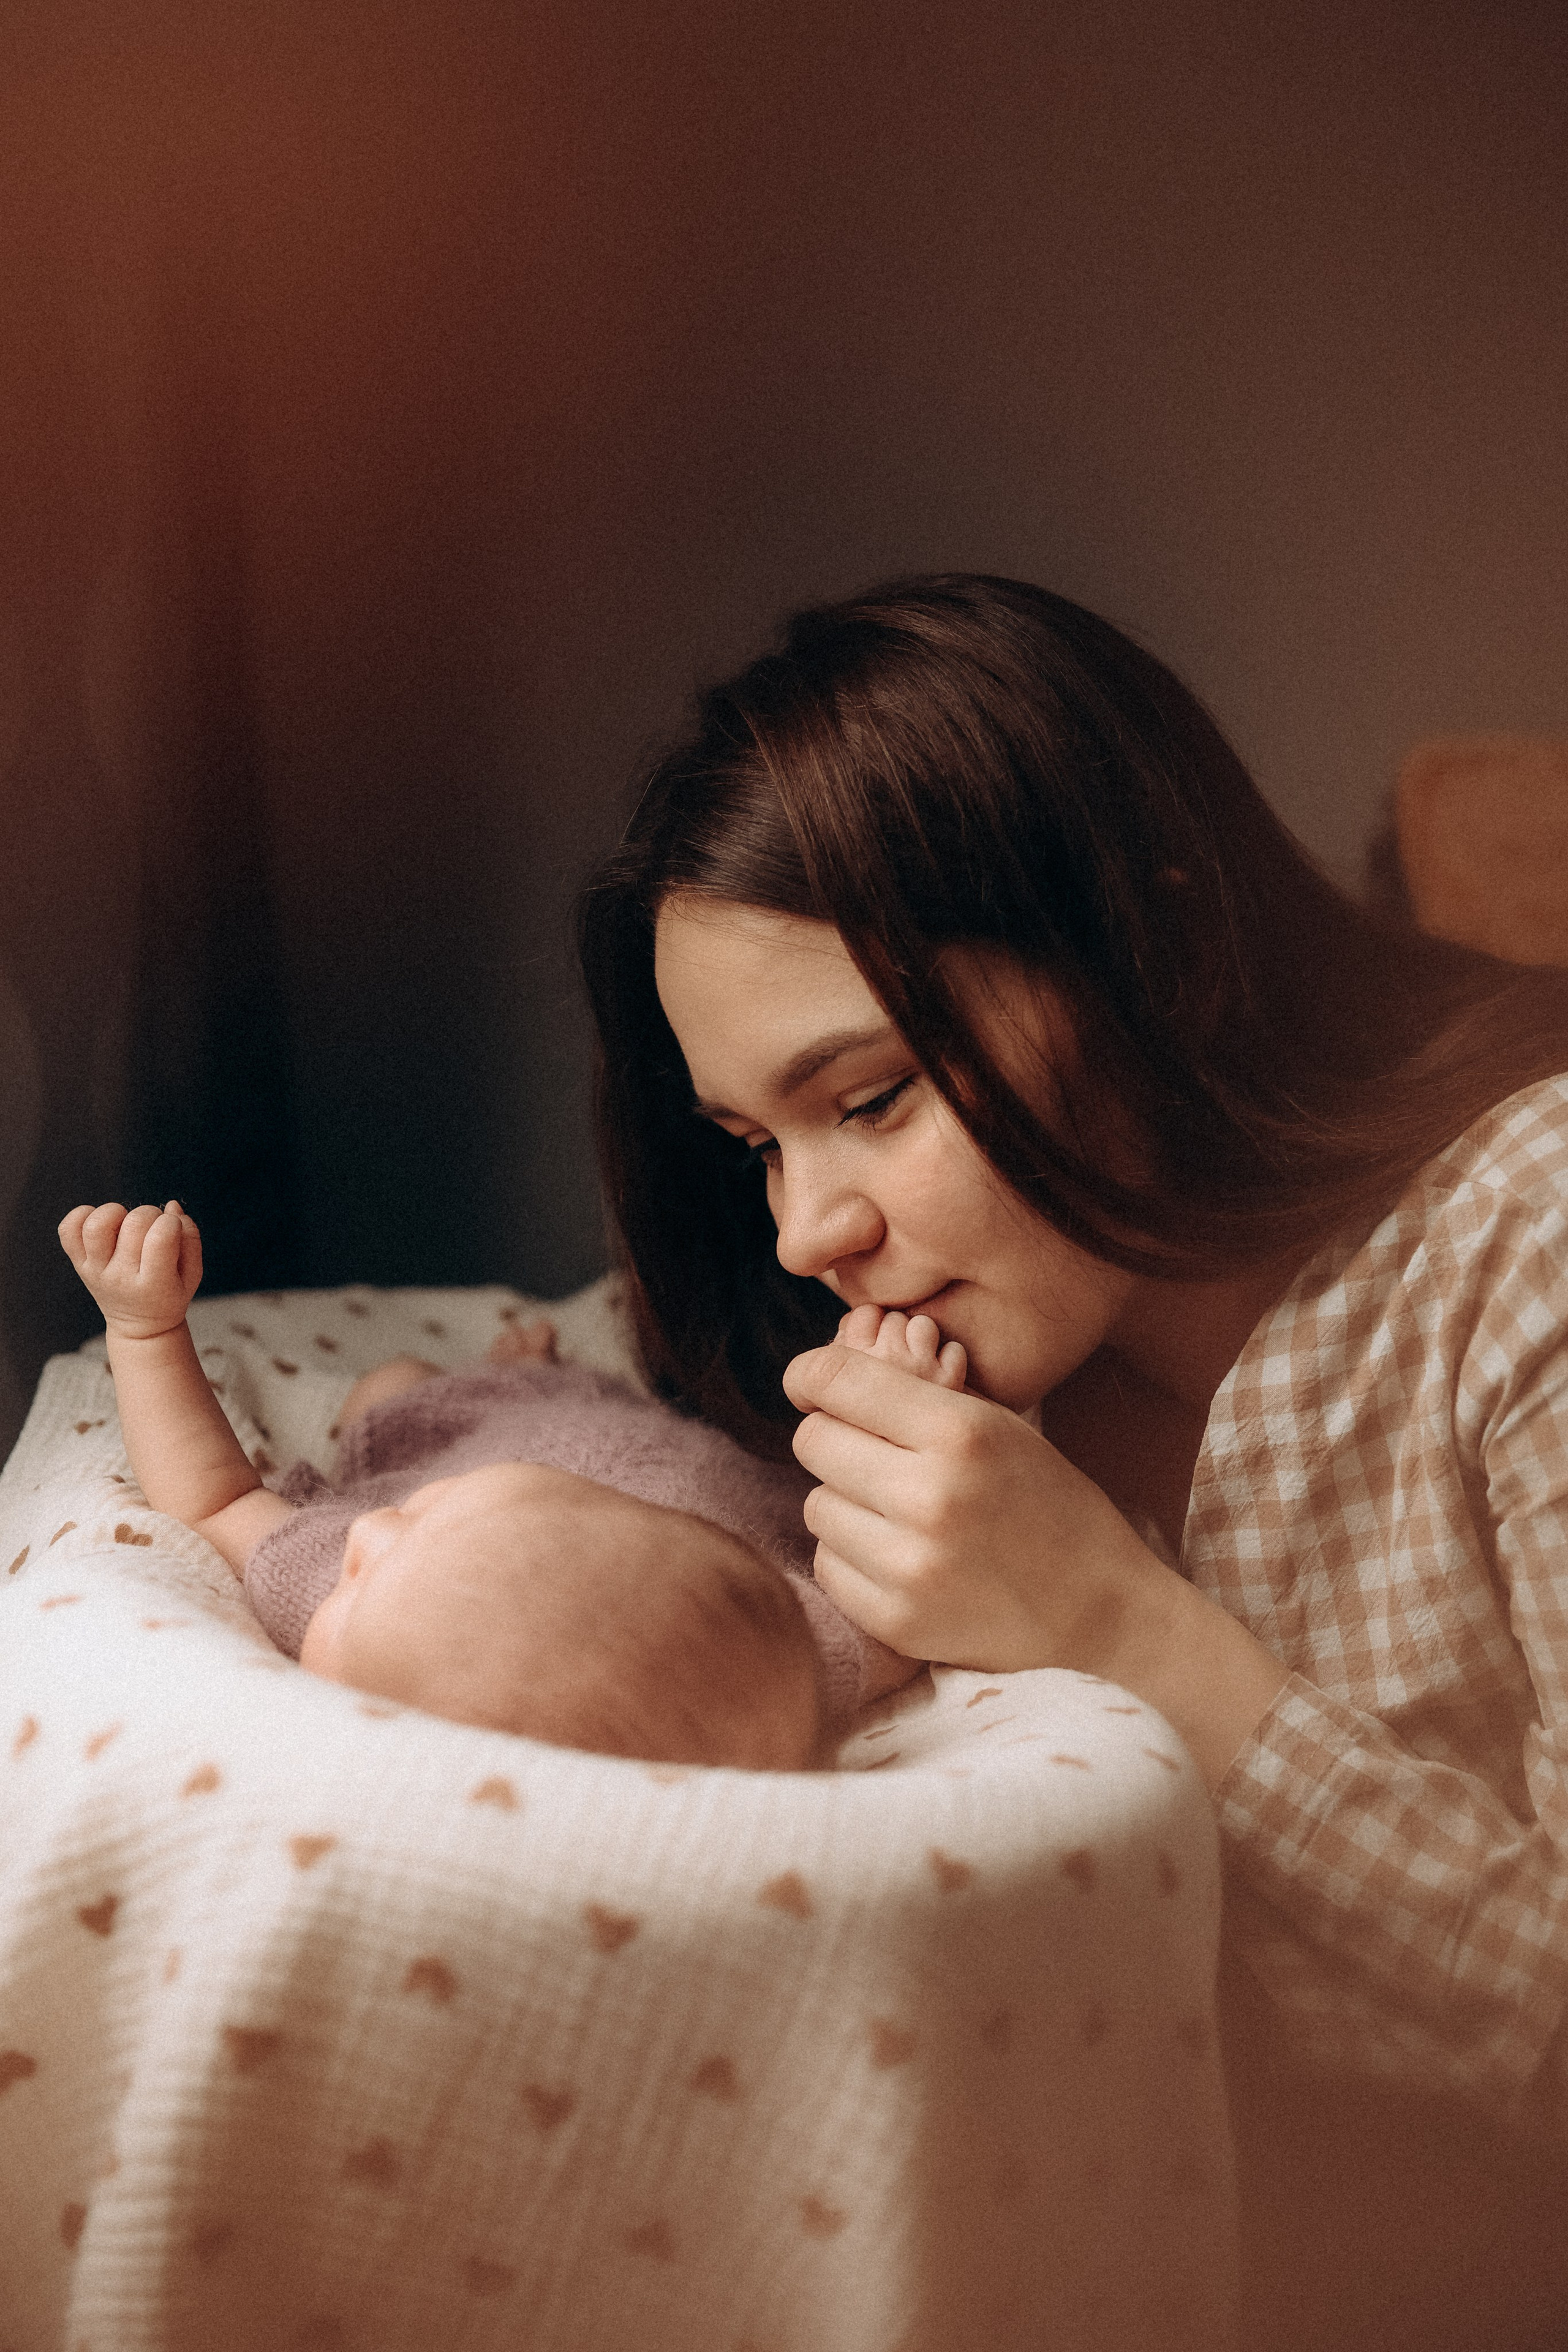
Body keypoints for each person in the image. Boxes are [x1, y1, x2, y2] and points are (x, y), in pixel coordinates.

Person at [575, 573, 1568, 2349]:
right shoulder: (952, 1349)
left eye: (868, 1099)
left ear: (1148, 958)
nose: (807, 1229)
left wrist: (1117, 1629)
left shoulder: (1527, 1242)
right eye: (753, 1144)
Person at [56, 1200, 925, 1769]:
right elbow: (891, 1589)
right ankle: (528, 1382)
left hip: (473, 1433)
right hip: (595, 1435)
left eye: (354, 1587)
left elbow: (212, 1499)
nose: (367, 1532)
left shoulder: (341, 1590)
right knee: (437, 1398)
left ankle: (506, 1388)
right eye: (416, 1515)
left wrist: (146, 1333)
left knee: (390, 1386)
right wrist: (891, 1403)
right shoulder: (788, 1651)